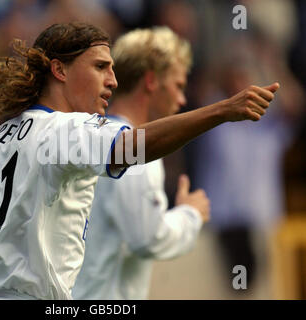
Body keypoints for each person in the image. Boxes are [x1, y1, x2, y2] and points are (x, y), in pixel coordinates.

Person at [0, 22, 279, 300]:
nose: (112, 80)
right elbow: (132, 150)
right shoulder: (65, 130)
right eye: (100, 67)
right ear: (59, 70)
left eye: (112, 68)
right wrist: (221, 111)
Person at [72, 27, 209, 300]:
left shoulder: (88, 138)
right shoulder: (134, 150)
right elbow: (147, 238)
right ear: (151, 81)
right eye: (179, 86)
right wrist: (190, 215)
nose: (182, 100)